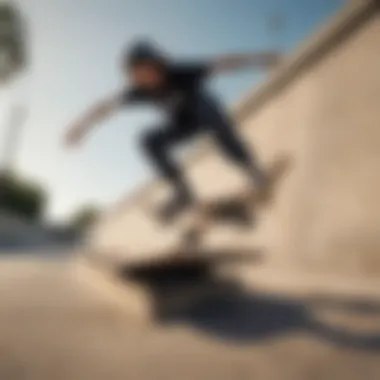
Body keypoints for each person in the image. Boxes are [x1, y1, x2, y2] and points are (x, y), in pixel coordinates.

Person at [64, 40, 281, 221]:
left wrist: (260, 59)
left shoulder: (180, 72)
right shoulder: (139, 92)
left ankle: (253, 171)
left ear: (157, 65)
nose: (144, 79)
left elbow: (222, 64)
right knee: (148, 139)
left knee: (206, 109)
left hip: (204, 111)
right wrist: (80, 128)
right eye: (137, 75)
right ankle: (182, 193)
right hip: (182, 126)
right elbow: (106, 106)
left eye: (146, 72)